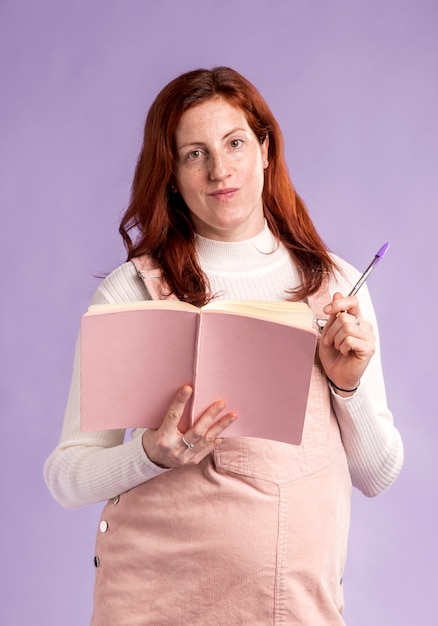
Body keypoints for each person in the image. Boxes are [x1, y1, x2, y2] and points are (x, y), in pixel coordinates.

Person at [44, 66, 404, 625]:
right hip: (151, 599)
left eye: (234, 143)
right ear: (171, 176)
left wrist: (347, 385)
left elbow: (377, 474)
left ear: (264, 149)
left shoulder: (334, 287)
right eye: (194, 153)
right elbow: (67, 477)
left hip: (291, 603)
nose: (220, 169)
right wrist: (149, 456)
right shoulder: (133, 291)